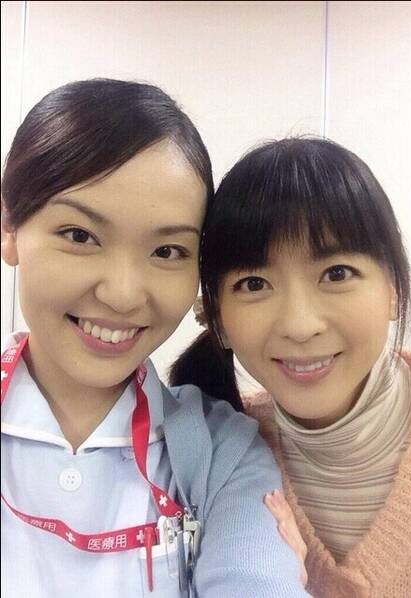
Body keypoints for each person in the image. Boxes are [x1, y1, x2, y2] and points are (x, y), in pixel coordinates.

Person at [0, 79, 310, 598]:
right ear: (10, 228)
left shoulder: (224, 452)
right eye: (80, 236)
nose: (123, 295)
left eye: (167, 251)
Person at [170, 137, 411, 597]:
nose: (300, 326)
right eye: (254, 283)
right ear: (216, 319)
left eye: (336, 273)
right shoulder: (220, 458)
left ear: (394, 289)